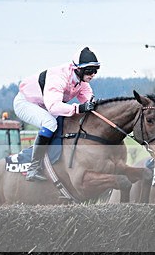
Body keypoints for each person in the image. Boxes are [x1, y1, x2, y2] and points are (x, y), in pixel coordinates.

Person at [13, 47, 100, 182]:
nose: (93, 74)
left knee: (65, 122)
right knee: (50, 123)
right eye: (90, 71)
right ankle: (33, 168)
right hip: (26, 103)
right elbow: (54, 107)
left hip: (44, 104)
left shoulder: (81, 81)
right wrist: (79, 108)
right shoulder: (59, 77)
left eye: (95, 70)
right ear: (78, 68)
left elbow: (89, 101)